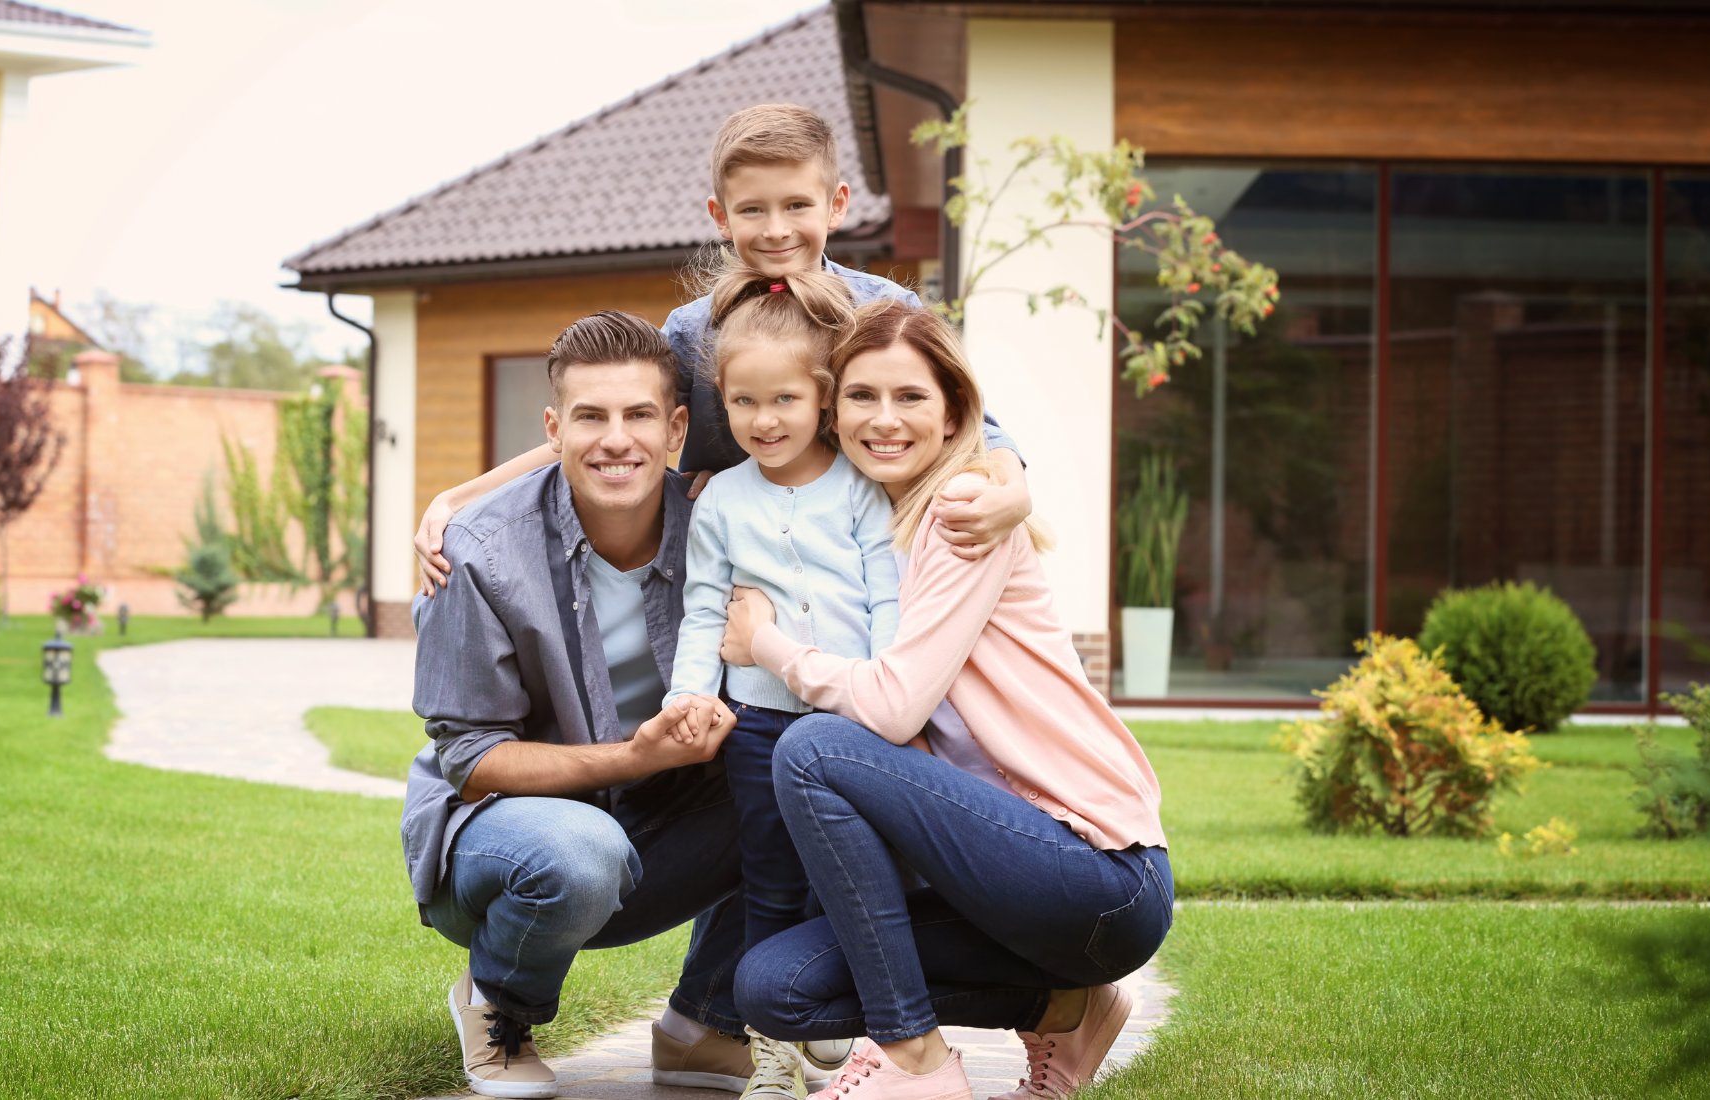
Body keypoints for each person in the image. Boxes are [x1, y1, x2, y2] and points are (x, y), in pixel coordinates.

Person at [719, 300, 1173, 1100]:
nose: (883, 419)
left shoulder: (963, 510)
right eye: (861, 397)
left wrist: (768, 645)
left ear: (956, 409)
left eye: (910, 397)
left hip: (1099, 874)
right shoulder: (879, 529)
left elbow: (891, 711)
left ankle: (913, 1061)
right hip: (1009, 884)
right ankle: (1066, 1006)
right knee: (772, 988)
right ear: (832, 411)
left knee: (814, 748)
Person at [409, 103, 1032, 598]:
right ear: (720, 216)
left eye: (797, 205)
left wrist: (1014, 493)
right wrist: (458, 498)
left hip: (872, 555)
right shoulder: (692, 330)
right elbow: (607, 422)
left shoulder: (885, 311)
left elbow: (977, 427)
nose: (777, 228)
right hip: (740, 564)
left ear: (836, 204)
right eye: (752, 210)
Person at [407, 310, 760, 1099]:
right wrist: (636, 757)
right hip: (505, 847)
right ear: (553, 427)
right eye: (591, 416)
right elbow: (468, 762)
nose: (615, 439)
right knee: (582, 850)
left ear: (675, 429)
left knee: (812, 771)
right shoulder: (480, 552)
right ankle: (498, 1002)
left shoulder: (719, 527)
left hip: (658, 828)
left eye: (638, 415)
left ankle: (706, 1022)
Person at [665, 257, 902, 1100]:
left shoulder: (863, 490)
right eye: (744, 403)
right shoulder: (721, 499)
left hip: (851, 727)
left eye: (785, 401)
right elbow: (703, 611)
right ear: (722, 407)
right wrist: (690, 693)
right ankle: (771, 1053)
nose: (765, 420)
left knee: (850, 881)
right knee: (768, 883)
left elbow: (888, 603)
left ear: (824, 400)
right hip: (760, 726)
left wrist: (887, 697)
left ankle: (849, 1039)